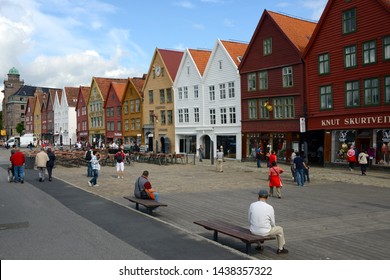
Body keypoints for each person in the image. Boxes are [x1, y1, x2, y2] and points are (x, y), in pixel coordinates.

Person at [248, 189, 288, 254]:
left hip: (253, 231)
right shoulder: (269, 207)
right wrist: (272, 227)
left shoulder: (252, 205)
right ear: (267, 198)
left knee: (257, 227)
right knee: (280, 229)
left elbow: (249, 219)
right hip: (265, 231)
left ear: (258, 197)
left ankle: (259, 245)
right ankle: (281, 248)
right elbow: (273, 223)